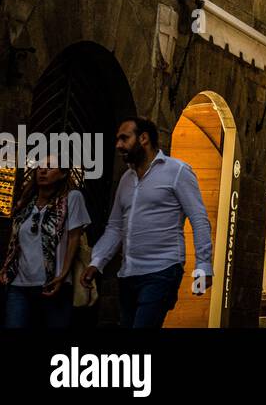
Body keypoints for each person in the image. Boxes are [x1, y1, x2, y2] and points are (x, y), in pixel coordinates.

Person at [82, 118, 212, 328]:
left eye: (124, 138)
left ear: (143, 138)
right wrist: (96, 262)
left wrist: (203, 266)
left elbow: (199, 219)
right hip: (128, 273)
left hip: (163, 270)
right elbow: (115, 227)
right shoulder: (126, 179)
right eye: (117, 139)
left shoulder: (178, 171)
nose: (118, 145)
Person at [2, 161, 91, 328]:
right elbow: (15, 242)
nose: (43, 170)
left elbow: (74, 238)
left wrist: (63, 275)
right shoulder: (26, 204)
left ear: (63, 173)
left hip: (53, 285)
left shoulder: (72, 198)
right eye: (40, 167)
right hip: (19, 286)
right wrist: (6, 267)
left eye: (50, 167)